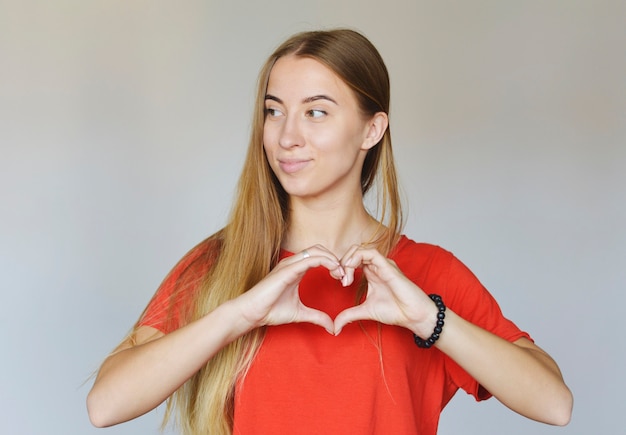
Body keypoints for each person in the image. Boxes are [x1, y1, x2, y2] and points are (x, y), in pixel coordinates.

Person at [87, 29, 572, 435]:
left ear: (371, 130)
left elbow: (555, 404)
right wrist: (238, 315)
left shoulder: (427, 273)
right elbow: (105, 404)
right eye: (274, 110)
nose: (287, 135)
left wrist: (429, 320)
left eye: (316, 112)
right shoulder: (222, 262)